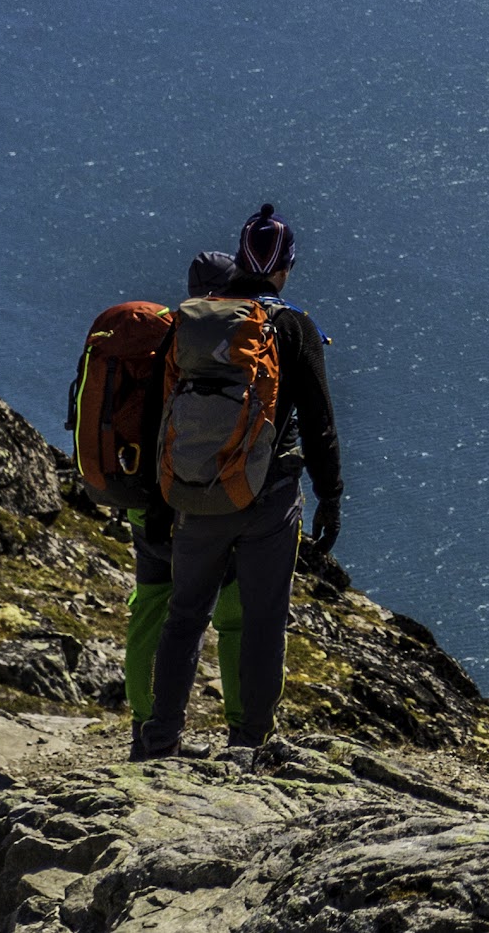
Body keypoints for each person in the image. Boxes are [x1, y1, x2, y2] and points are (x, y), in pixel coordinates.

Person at [133, 202, 344, 765]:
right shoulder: (291, 326)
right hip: (269, 499)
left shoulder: (195, 322)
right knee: (262, 621)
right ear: (286, 266)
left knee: (185, 616)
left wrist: (159, 502)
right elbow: (320, 422)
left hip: (195, 496)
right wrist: (333, 498)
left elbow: (160, 416)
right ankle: (249, 742)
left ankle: (159, 740)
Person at [122, 253, 244, 743]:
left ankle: (146, 727)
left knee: (151, 608)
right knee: (235, 615)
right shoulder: (227, 346)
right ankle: (243, 730)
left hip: (145, 501)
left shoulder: (159, 338)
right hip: (200, 502)